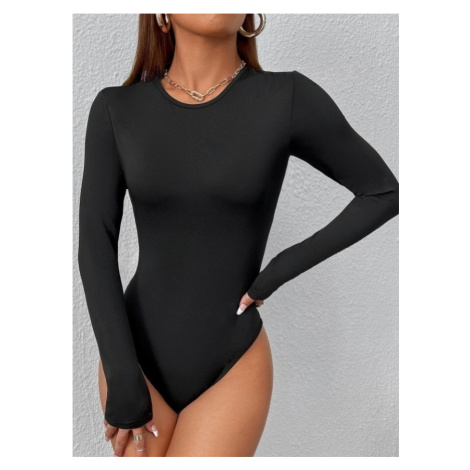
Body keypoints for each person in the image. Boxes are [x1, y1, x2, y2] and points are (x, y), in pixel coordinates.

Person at [78, 14, 399, 457]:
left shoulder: (286, 98)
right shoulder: (117, 109)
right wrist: (121, 374)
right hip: (134, 360)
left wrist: (279, 269)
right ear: (161, 13)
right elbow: (95, 245)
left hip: (233, 364)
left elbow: (383, 192)